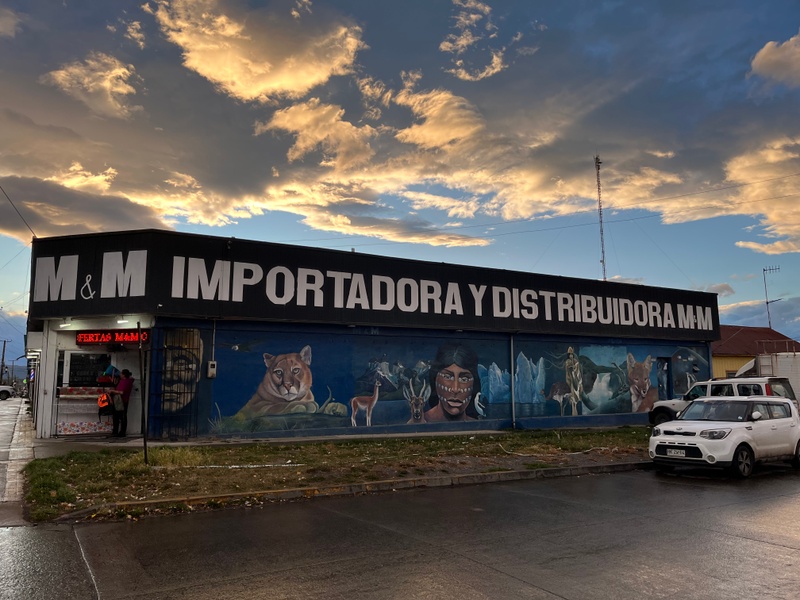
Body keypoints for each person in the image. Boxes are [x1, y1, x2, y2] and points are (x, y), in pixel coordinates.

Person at [424, 343, 481, 422]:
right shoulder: (417, 424)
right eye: (447, 377)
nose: (455, 389)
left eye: (464, 379)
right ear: (435, 380)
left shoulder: (479, 425)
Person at [110, 369, 134, 437]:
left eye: (121, 373)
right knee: (122, 416)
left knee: (118, 417)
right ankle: (121, 431)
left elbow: (121, 392)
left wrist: (112, 391)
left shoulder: (124, 382)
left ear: (124, 375)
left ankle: (118, 432)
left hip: (120, 401)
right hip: (124, 401)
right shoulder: (129, 381)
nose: (120, 375)